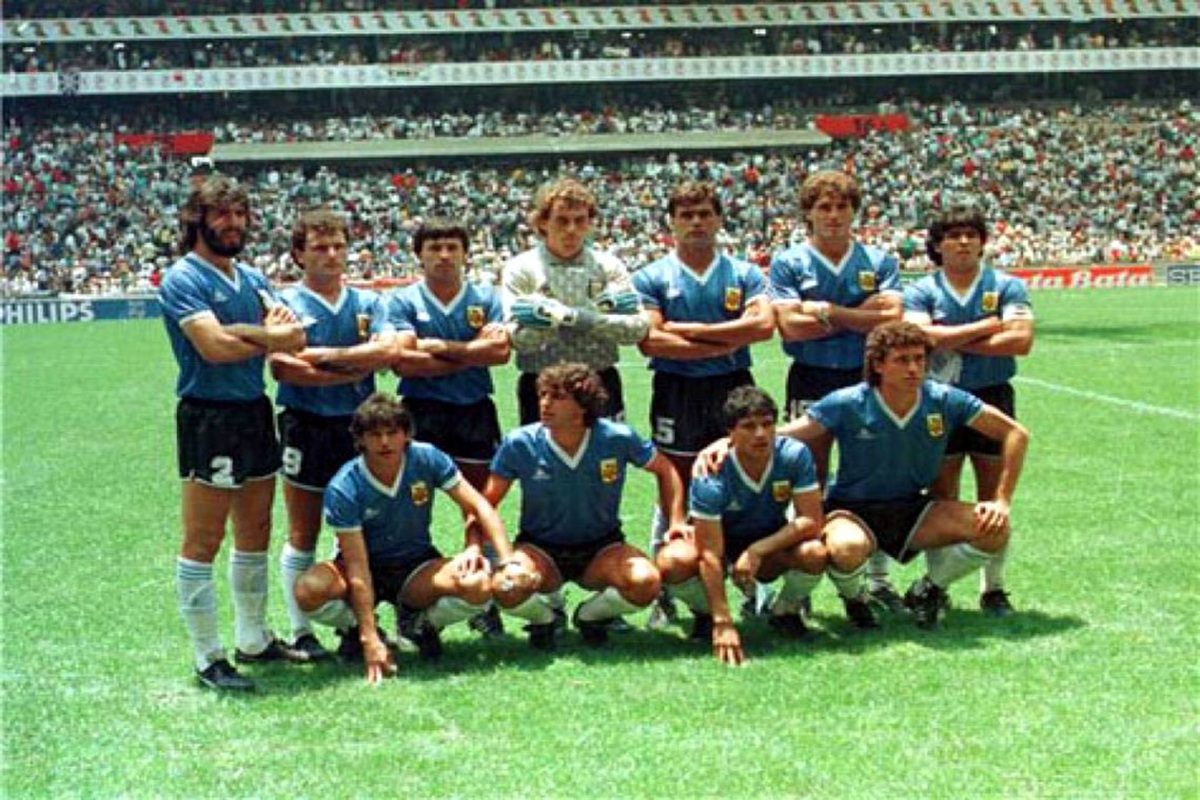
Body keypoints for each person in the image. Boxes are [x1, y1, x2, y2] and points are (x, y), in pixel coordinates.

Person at [773, 321, 1029, 629]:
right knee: (846, 548)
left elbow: (1016, 434)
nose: (913, 368)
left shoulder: (944, 399)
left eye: (920, 359)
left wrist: (1001, 501)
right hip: (852, 509)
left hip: (913, 507)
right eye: (902, 360)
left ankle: (928, 589)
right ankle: (856, 599)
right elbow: (786, 436)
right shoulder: (847, 402)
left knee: (994, 529)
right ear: (878, 364)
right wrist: (726, 444)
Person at [160, 175, 308, 692]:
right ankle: (207, 657)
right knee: (203, 538)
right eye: (222, 215)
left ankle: (252, 639)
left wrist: (249, 333)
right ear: (197, 220)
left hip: (252, 410)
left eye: (240, 214)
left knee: (255, 530)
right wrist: (265, 337)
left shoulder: (250, 277)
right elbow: (214, 349)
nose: (233, 224)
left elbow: (293, 334)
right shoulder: (183, 278)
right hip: (209, 414)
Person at [291, 394, 525, 683]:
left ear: (406, 434)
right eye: (375, 435)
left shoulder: (426, 457)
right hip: (365, 567)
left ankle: (420, 625)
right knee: (308, 589)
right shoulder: (345, 486)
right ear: (360, 440)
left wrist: (505, 560)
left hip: (415, 566)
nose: (385, 442)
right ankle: (356, 628)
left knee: (477, 583)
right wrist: (369, 636)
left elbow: (479, 506)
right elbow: (357, 566)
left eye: (392, 433)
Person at [630, 181, 775, 629]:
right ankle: (667, 589)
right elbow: (651, 338)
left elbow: (764, 325)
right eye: (687, 215)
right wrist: (725, 337)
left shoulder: (744, 273)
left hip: (733, 385)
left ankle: (755, 583)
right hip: (677, 387)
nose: (696, 222)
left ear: (719, 219)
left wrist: (690, 333)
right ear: (671, 222)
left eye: (705, 214)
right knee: (672, 472)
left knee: (744, 470)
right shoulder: (652, 276)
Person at [476, 363, 689, 649]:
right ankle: (545, 619)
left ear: (583, 405)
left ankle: (589, 616)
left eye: (557, 397)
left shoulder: (617, 437)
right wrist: (496, 553)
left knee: (645, 582)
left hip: (602, 548)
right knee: (507, 586)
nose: (545, 404)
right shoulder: (521, 442)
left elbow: (667, 471)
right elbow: (485, 504)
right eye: (542, 395)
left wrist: (675, 520)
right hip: (541, 549)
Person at [768, 169, 905, 613]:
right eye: (823, 207)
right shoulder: (790, 262)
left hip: (868, 379)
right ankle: (801, 576)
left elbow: (893, 319)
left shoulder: (879, 260)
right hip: (811, 375)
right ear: (808, 213)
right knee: (809, 473)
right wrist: (858, 315)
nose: (833, 215)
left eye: (841, 206)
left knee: (875, 474)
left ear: (854, 212)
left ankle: (878, 577)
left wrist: (826, 312)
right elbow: (790, 326)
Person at [268, 208, 400, 662]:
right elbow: (284, 366)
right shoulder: (285, 303)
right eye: (319, 247)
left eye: (338, 246)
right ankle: (302, 630)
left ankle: (351, 621)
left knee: (357, 529)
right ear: (298, 254)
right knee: (303, 531)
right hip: (306, 425)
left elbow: (387, 351)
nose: (331, 254)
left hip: (359, 428)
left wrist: (320, 357)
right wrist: (354, 364)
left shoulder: (368, 302)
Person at [904, 204, 1035, 615]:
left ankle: (993, 588)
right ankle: (937, 588)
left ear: (982, 242)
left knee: (992, 496)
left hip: (992, 395)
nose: (963, 241)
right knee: (942, 496)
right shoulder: (921, 290)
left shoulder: (1007, 285)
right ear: (937, 246)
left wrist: (949, 338)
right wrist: (985, 326)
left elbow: (1020, 341)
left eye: (971, 234)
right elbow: (922, 338)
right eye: (953, 235)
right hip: (938, 401)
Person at [388, 217, 511, 637]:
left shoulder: (485, 297)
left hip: (474, 409)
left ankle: (480, 594)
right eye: (434, 247)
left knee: (477, 502)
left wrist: (439, 347)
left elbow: (499, 353)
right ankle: (410, 594)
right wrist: (470, 351)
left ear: (465, 253)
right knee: (407, 501)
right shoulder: (403, 301)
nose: (443, 255)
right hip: (419, 410)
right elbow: (403, 360)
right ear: (418, 255)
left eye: (452, 248)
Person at [664, 386, 826, 665]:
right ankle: (705, 613)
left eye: (767, 424)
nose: (760, 434)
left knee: (815, 553)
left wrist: (757, 550)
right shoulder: (711, 473)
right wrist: (723, 622)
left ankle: (784, 611)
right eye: (748, 426)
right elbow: (710, 553)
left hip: (769, 542)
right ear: (730, 432)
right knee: (672, 561)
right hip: (719, 543)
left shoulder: (793, 455)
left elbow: (812, 520)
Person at [502, 177, 649, 426]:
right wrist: (598, 317)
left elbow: (636, 329)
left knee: (606, 462)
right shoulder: (521, 269)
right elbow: (518, 339)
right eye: (562, 220)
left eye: (580, 220)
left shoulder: (608, 266)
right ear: (542, 222)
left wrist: (560, 316)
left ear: (590, 223)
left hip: (599, 380)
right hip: (541, 385)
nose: (571, 229)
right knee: (543, 463)